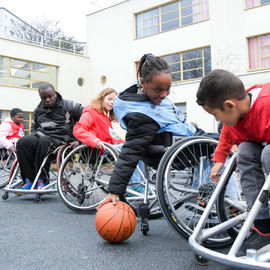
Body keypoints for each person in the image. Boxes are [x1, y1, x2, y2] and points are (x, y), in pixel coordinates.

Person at [98, 53, 198, 209]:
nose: (164, 95)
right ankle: (214, 201)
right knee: (220, 149)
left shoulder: (147, 98)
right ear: (143, 83)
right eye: (159, 90)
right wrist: (114, 191)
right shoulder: (141, 115)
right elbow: (130, 152)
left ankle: (204, 199)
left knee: (220, 144)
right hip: (175, 151)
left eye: (168, 89)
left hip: (176, 146)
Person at [196, 69, 270, 256]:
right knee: (245, 151)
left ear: (230, 106)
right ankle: (263, 225)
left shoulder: (266, 105)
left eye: (215, 114)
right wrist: (219, 159)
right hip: (261, 145)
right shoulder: (233, 117)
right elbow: (226, 134)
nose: (217, 120)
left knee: (268, 154)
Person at [16, 83, 83, 191]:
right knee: (23, 142)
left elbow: (87, 121)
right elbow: (34, 128)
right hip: (42, 137)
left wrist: (79, 141)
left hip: (62, 140)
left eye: (50, 96)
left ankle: (42, 180)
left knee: (44, 141)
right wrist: (33, 139)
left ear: (55, 93)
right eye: (43, 97)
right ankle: (29, 180)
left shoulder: (70, 106)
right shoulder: (38, 110)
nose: (47, 100)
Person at [73, 87, 143, 187]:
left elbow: (112, 137)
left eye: (114, 100)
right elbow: (78, 129)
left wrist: (127, 142)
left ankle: (140, 182)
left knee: (137, 148)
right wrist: (95, 141)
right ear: (101, 98)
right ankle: (134, 185)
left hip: (108, 147)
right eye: (109, 99)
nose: (112, 103)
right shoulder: (91, 112)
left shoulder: (105, 116)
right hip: (99, 149)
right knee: (131, 149)